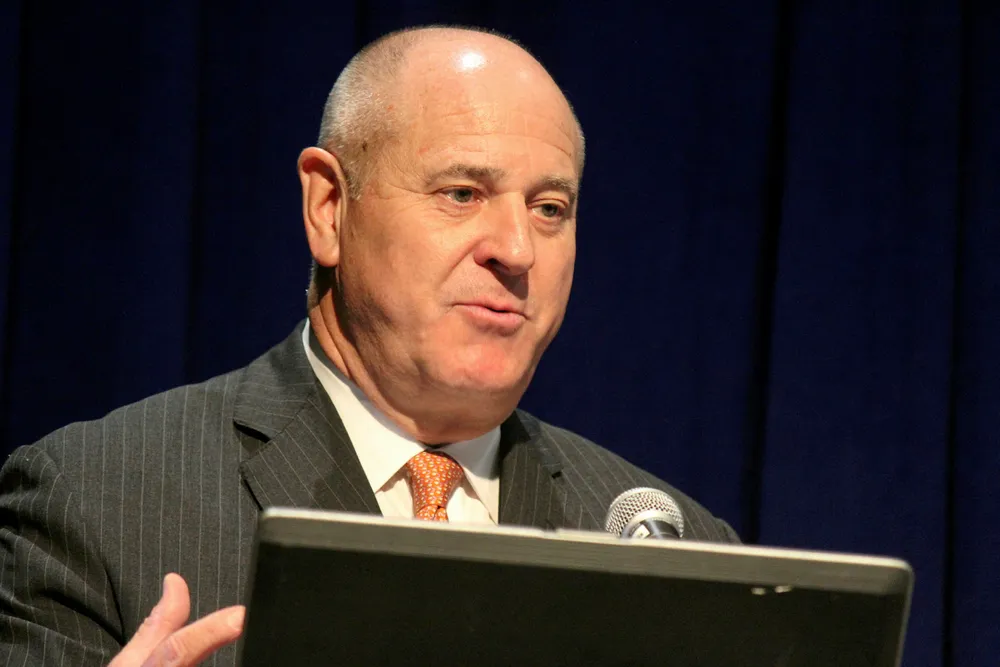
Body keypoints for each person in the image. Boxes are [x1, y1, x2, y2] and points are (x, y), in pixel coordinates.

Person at [0, 25, 738, 666]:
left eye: (550, 208)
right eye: (462, 193)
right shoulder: (96, 502)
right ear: (329, 207)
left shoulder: (685, 551)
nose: (517, 249)